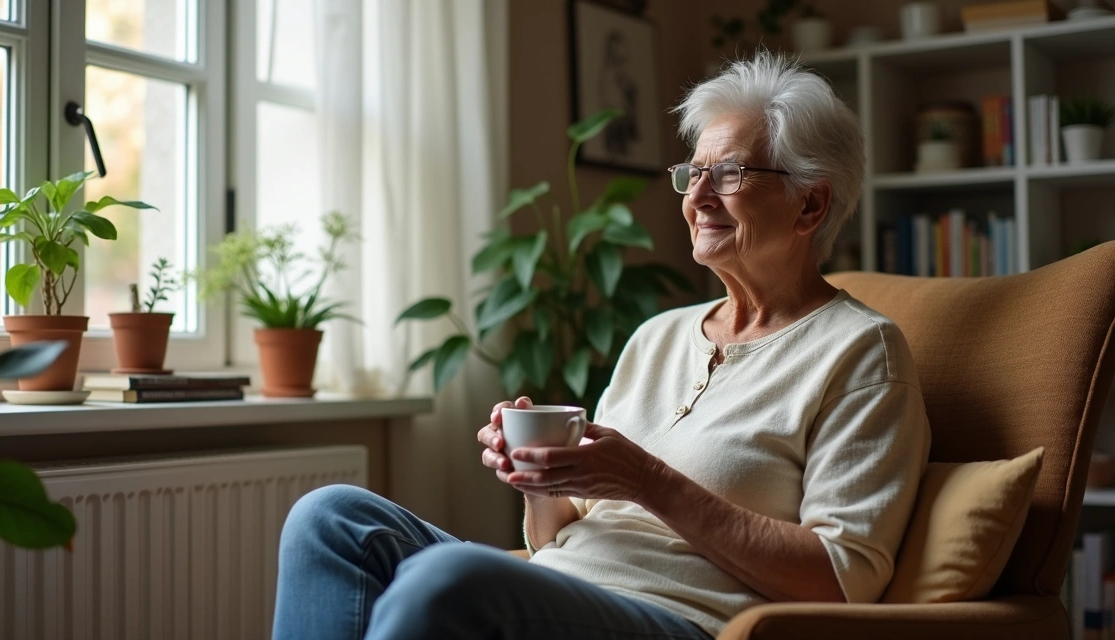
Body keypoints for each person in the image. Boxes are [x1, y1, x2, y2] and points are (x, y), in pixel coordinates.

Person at [271, 50, 931, 640]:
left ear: (810, 206)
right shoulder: (659, 337)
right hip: (566, 585)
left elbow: (843, 579)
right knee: (330, 519)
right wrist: (538, 478)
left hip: (683, 618)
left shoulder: (861, 353)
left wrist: (647, 481)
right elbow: (562, 534)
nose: (696, 198)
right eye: (690, 173)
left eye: (727, 174)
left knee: (446, 579)